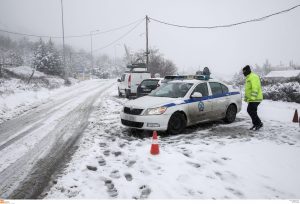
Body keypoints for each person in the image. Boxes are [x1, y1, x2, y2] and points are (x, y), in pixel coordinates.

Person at [242, 65, 263, 130]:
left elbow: (255, 88)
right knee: (252, 111)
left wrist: (253, 97)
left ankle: (259, 123)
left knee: (250, 111)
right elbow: (248, 89)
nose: (243, 74)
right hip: (252, 99)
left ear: (247, 71)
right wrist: (246, 98)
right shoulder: (248, 77)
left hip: (255, 98)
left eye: (244, 72)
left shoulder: (253, 77)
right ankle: (256, 124)